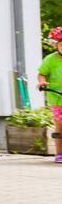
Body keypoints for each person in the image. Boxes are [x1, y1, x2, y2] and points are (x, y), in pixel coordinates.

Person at [37, 26, 62, 164]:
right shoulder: (50, 60)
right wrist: (42, 82)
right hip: (57, 98)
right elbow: (42, 74)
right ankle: (59, 154)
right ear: (56, 45)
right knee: (60, 125)